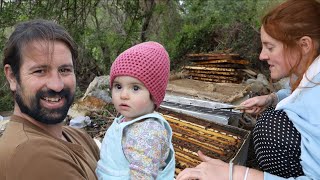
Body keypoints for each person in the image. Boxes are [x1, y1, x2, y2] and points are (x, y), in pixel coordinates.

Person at [176, 0, 320, 179]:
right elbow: (298, 94)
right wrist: (272, 99)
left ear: (304, 45)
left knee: (272, 126)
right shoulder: (311, 75)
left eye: (270, 47)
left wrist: (236, 174)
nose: (262, 55)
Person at [0, 19, 100, 180]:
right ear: (12, 76)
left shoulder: (77, 135)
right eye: (40, 71)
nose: (57, 85)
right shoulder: (31, 154)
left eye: (64, 70)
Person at [96, 41, 175, 179]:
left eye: (135, 88)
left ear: (154, 95)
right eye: (118, 86)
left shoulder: (148, 132)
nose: (123, 95)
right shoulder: (126, 121)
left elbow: (142, 176)